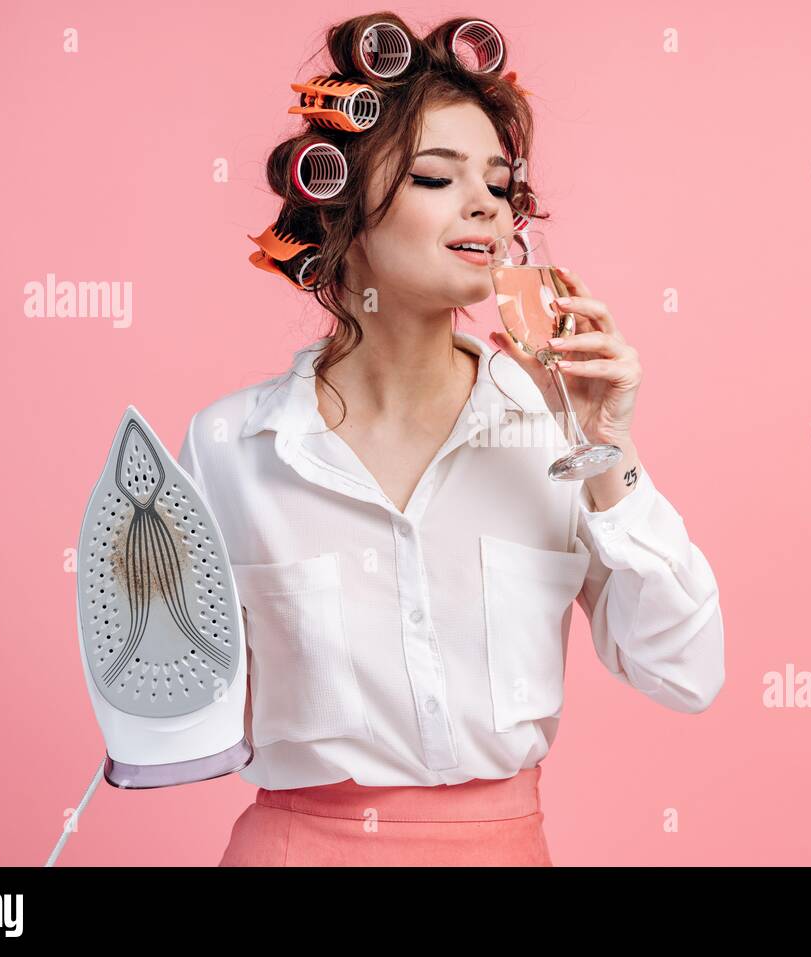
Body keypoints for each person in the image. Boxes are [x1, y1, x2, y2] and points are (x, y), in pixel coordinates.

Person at [178, 12, 725, 867]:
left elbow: (687, 671)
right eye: (437, 176)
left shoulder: (555, 433)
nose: (485, 203)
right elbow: (171, 696)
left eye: (500, 184)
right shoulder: (230, 448)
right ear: (342, 213)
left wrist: (605, 445)